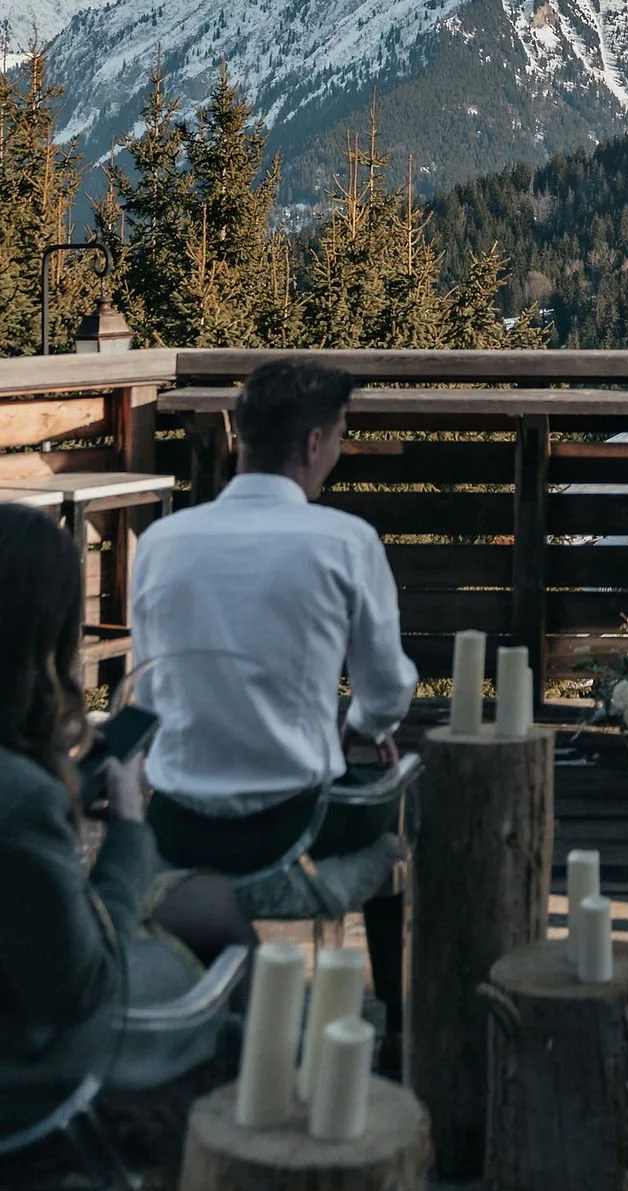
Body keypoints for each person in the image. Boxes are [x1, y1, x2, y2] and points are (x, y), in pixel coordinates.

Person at [128, 359, 417, 1054]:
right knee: (397, 807)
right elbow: (387, 691)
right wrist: (362, 727)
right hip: (292, 833)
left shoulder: (161, 543)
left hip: (176, 827)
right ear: (314, 443)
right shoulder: (346, 542)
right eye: (340, 437)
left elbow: (153, 689)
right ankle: (396, 1017)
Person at [0, 506, 235, 1153]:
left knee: (209, 909)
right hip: (31, 1080)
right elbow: (82, 988)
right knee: (227, 965)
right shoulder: (23, 802)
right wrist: (128, 824)